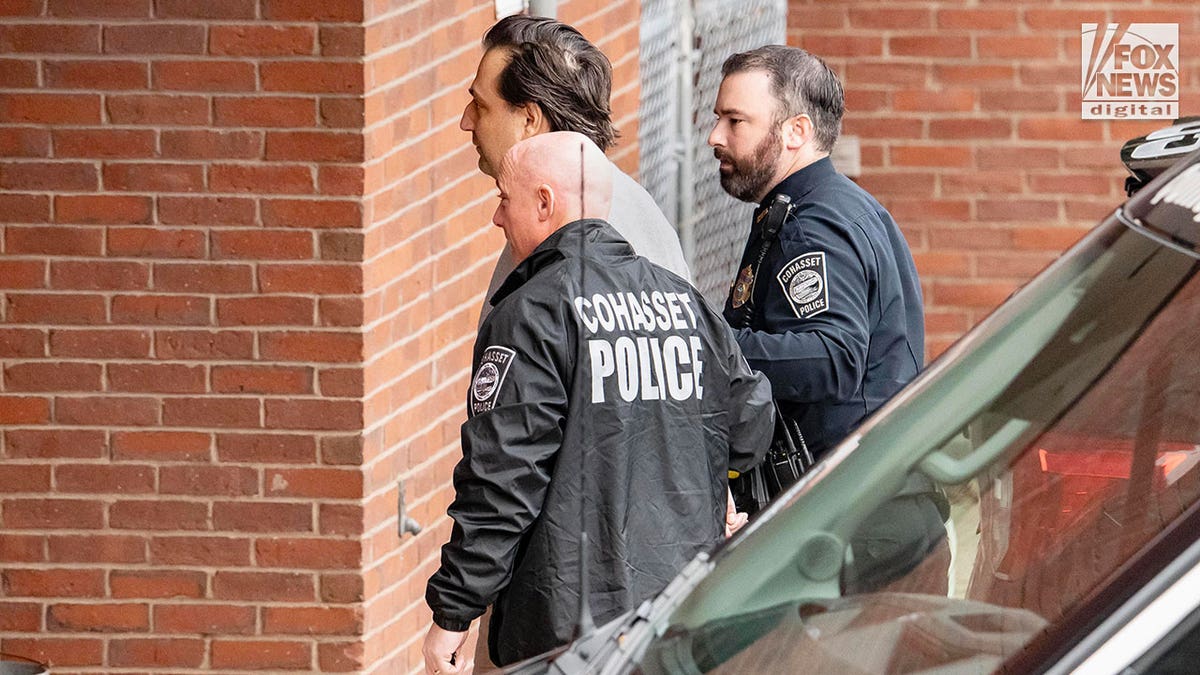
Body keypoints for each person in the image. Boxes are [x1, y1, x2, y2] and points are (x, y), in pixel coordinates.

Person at [422, 132, 774, 672]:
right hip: (677, 613)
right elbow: (750, 420)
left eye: (502, 199)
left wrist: (453, 612)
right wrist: (713, 491)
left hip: (566, 633)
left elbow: (502, 481)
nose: (497, 219)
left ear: (544, 203)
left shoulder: (530, 314)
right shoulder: (685, 303)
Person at [708, 46, 947, 591]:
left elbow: (830, 359)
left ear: (795, 132)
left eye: (735, 121)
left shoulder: (812, 226)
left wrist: (707, 346)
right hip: (867, 514)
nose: (715, 137)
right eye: (717, 119)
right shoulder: (830, 207)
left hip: (856, 528)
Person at [461, 14, 691, 327]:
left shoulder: (583, 233)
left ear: (530, 119)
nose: (466, 121)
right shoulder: (595, 204)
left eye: (481, 105)